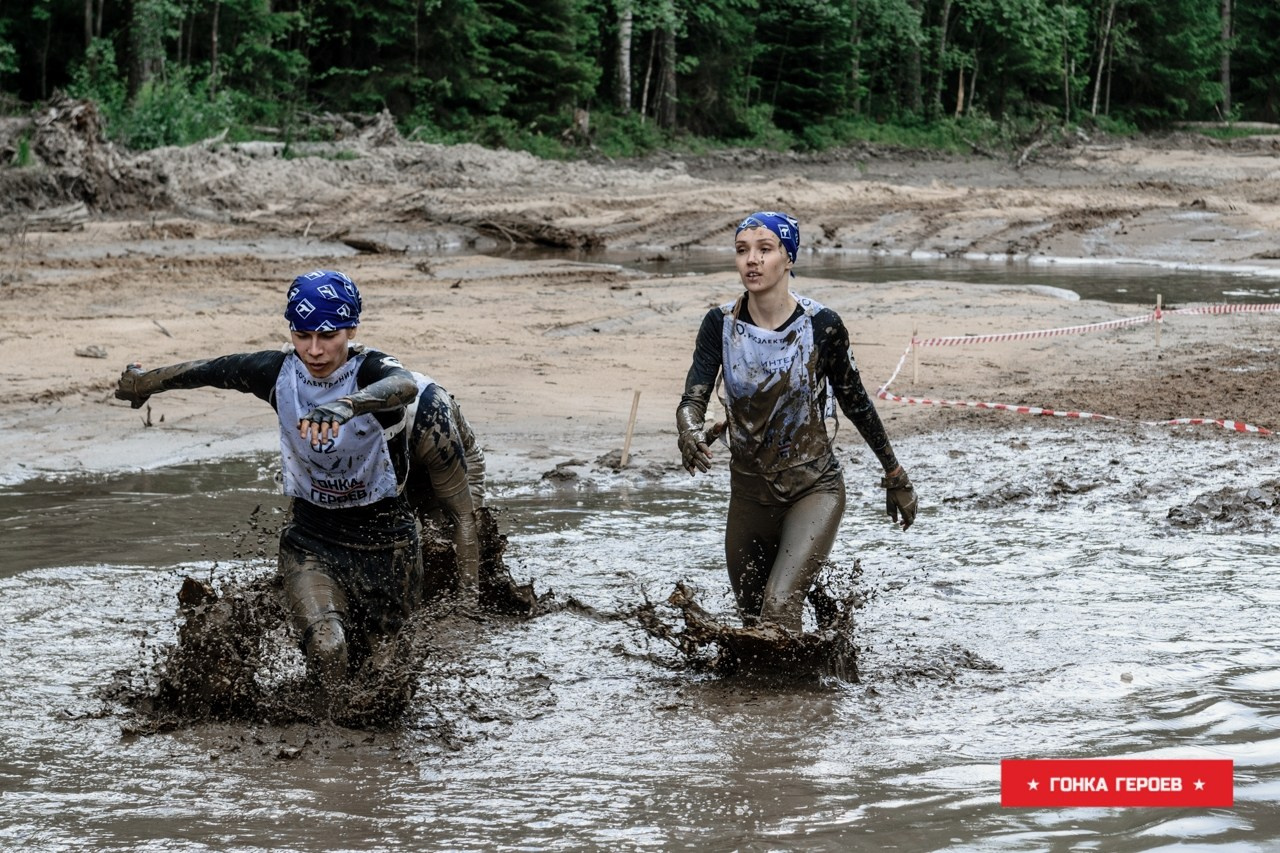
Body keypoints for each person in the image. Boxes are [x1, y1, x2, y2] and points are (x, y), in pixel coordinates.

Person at [114, 269, 421, 698]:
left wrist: (345, 406)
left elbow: (404, 386)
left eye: (328, 335)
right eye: (302, 335)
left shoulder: (372, 369)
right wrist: (145, 383)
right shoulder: (278, 373)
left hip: (389, 544)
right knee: (328, 647)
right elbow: (213, 370)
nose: (314, 350)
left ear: (351, 328)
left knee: (390, 679)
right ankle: (324, 747)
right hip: (314, 541)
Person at [676, 211, 918, 634]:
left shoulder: (822, 326)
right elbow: (692, 399)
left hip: (813, 487)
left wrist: (894, 472)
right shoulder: (719, 324)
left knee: (780, 607)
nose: (751, 261)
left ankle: (802, 699)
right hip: (748, 493)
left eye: (764, 250)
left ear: (788, 258)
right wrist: (689, 429)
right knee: (752, 621)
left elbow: (856, 401)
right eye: (742, 251)